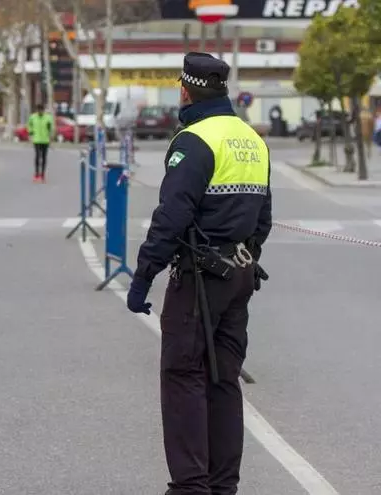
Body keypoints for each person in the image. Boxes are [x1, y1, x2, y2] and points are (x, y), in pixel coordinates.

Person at [126, 52, 272, 495]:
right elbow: (263, 218)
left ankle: (191, 486)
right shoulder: (252, 139)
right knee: (223, 379)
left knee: (182, 374)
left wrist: (143, 276)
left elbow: (171, 217)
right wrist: (243, 255)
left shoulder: (194, 140)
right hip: (239, 274)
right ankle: (223, 486)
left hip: (200, 278)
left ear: (186, 91)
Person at [28, 104, 53, 183]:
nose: (40, 112)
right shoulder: (33, 117)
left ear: (43, 110)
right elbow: (29, 125)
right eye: (39, 110)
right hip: (37, 140)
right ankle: (36, 174)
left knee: (44, 158)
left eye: (41, 110)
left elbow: (51, 128)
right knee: (37, 156)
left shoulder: (48, 117)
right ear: (37, 110)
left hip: (45, 140)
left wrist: (50, 136)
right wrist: (31, 132)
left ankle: (42, 175)